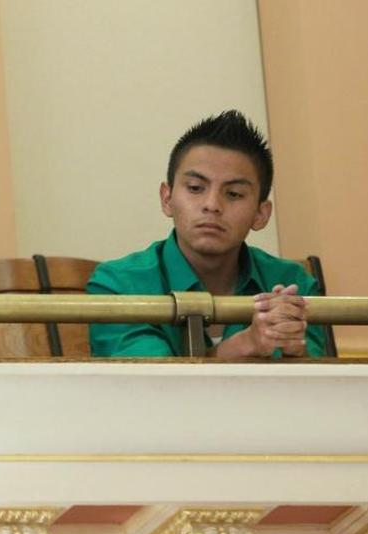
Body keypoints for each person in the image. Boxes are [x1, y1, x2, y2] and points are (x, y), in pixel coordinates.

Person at [86, 110, 325, 358]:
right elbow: (155, 387)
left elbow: (324, 389)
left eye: (233, 194)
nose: (212, 204)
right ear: (167, 198)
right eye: (195, 188)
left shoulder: (293, 283)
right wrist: (247, 345)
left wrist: (296, 356)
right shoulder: (117, 284)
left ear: (261, 214)